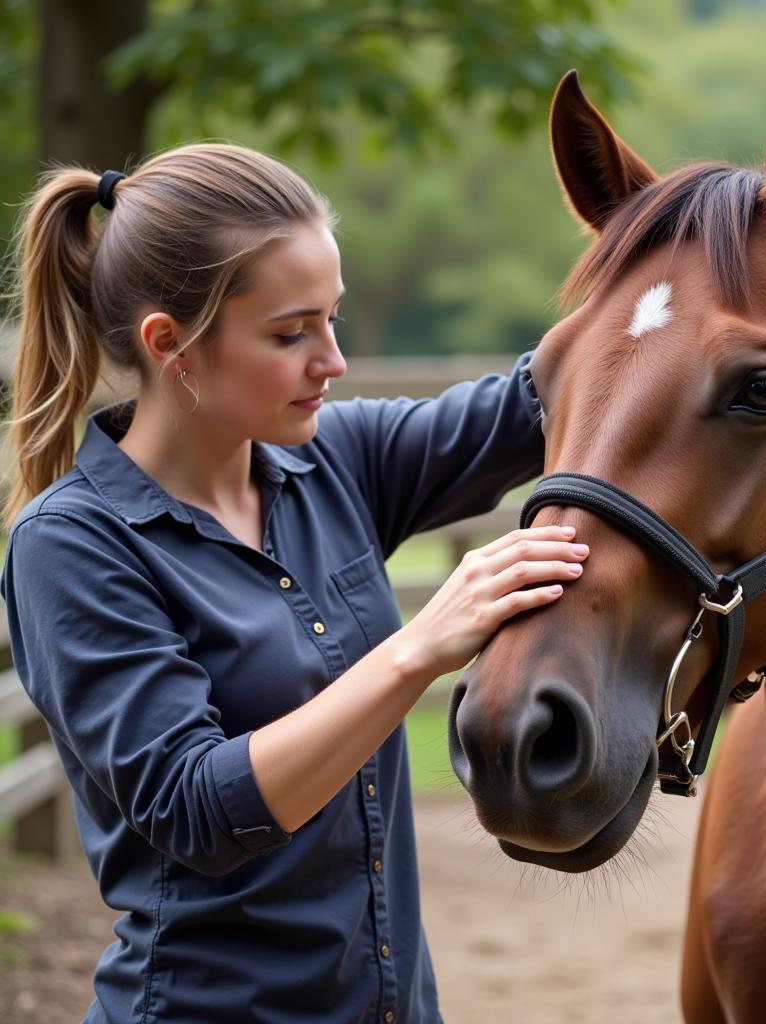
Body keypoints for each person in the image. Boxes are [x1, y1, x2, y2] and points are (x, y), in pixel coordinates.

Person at [0, 144, 589, 1023]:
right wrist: (417, 650)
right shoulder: (72, 546)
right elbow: (195, 807)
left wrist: (659, 253)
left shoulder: (331, 460)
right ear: (173, 347)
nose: (334, 360)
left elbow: (532, 400)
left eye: (334, 319)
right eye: (290, 333)